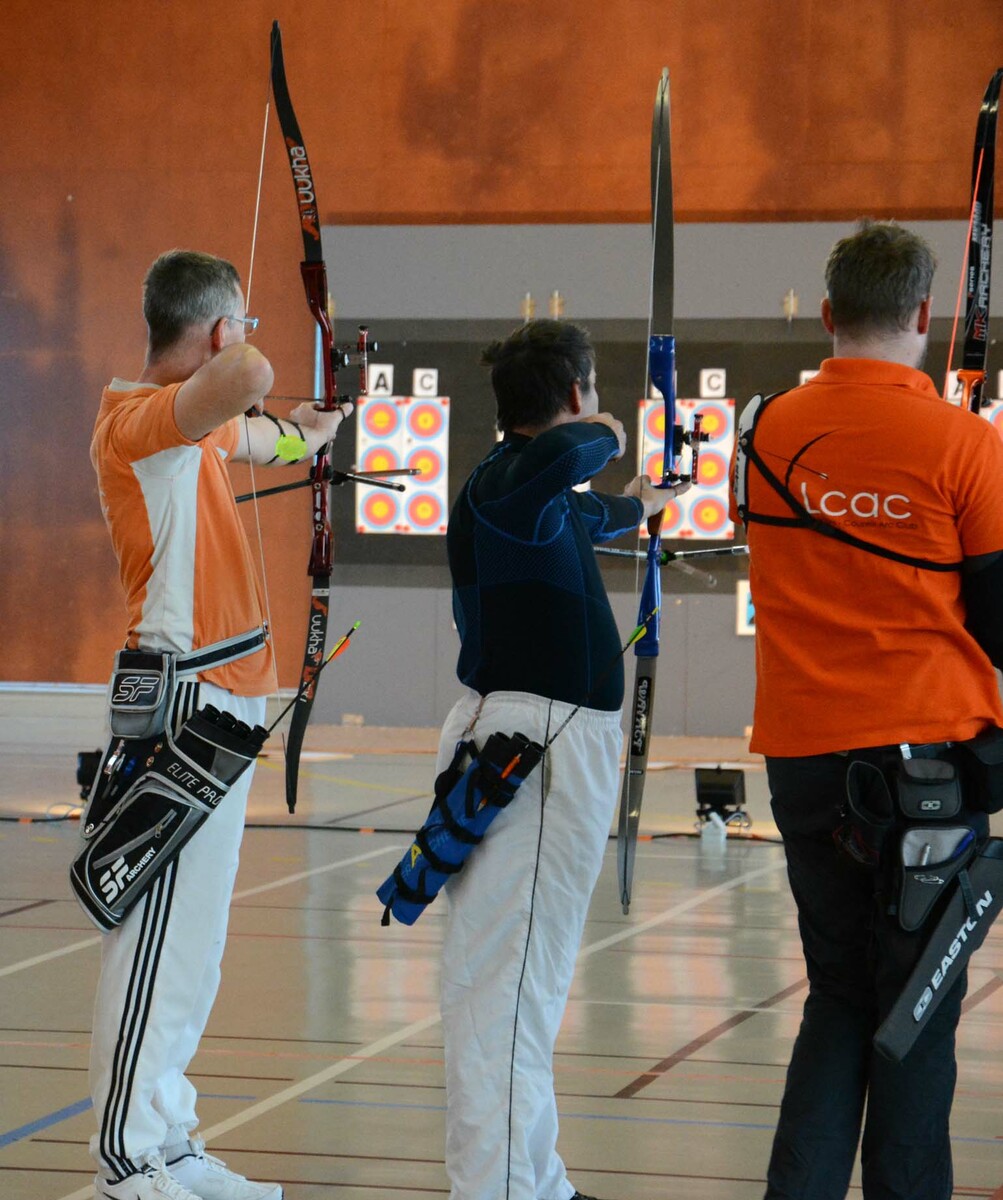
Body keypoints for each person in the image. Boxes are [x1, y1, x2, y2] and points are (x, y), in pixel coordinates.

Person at [730, 220, 1003, 1199]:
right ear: (924, 314)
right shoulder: (965, 445)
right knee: (916, 1013)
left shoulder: (760, 432)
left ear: (827, 313)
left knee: (840, 997)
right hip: (927, 767)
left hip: (804, 757)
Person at [86, 249, 352, 1200]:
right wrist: (245, 353)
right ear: (213, 331)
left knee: (193, 942)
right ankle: (127, 1159)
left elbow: (261, 434)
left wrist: (307, 434)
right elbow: (244, 382)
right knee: (155, 937)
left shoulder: (193, 428)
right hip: (182, 705)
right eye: (238, 321)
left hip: (227, 703)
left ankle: (170, 1139)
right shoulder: (137, 421)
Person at [437, 318, 686, 1200]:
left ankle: (531, 1181)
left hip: (532, 745)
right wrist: (609, 432)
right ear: (575, 392)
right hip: (534, 748)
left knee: (521, 982)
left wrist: (646, 501)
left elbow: (593, 511)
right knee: (510, 987)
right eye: (591, 392)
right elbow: (565, 459)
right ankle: (504, 1189)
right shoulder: (511, 479)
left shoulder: (522, 498)